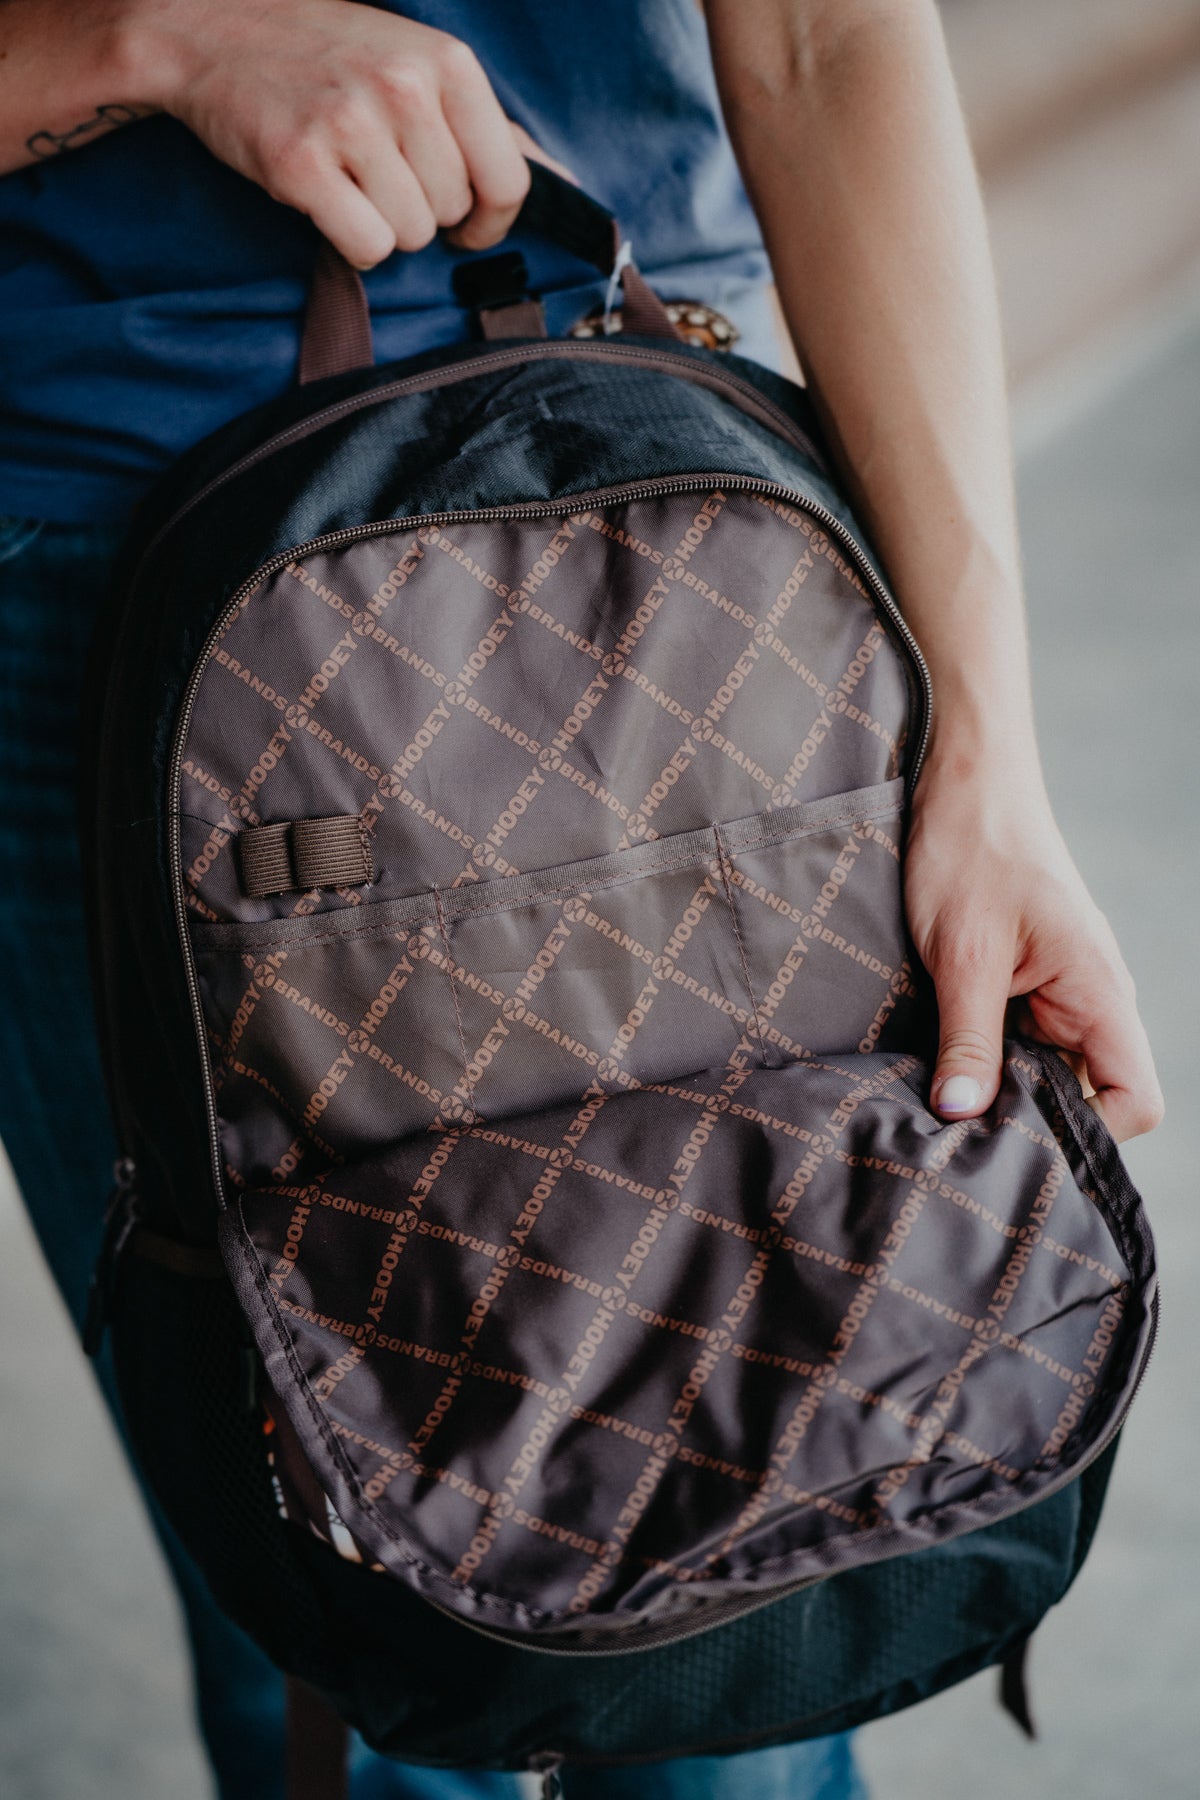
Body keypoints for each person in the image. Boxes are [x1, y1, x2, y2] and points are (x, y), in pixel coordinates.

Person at [0, 2, 1164, 1796]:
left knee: (768, 1545)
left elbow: (828, 35)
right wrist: (146, 38)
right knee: (334, 1563)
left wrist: (985, 755)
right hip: (106, 540)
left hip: (674, 507)